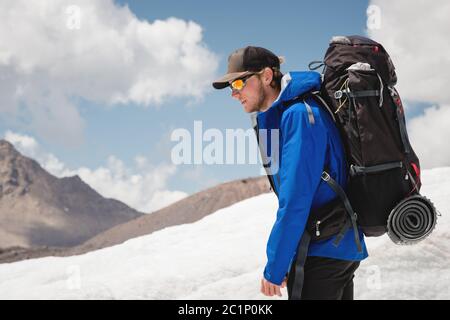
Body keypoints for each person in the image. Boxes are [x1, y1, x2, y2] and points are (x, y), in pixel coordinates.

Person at [212, 46, 368, 300]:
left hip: (323, 251)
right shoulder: (291, 114)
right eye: (231, 86)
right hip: (334, 247)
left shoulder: (298, 116)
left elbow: (296, 200)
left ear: (265, 76)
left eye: (239, 81)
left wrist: (276, 266)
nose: (234, 92)